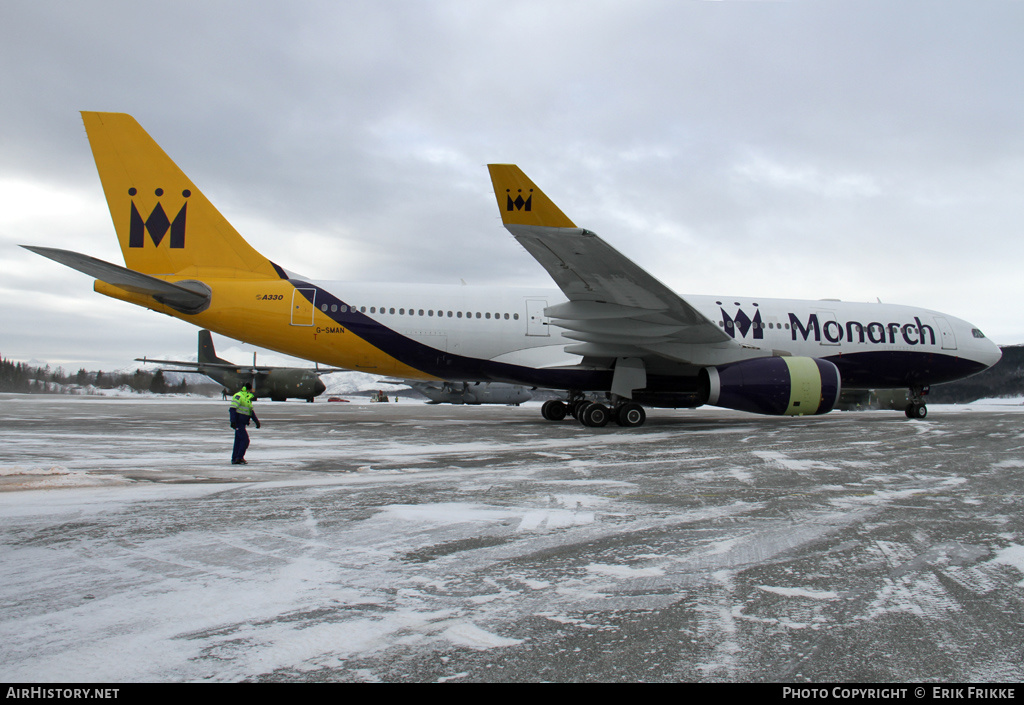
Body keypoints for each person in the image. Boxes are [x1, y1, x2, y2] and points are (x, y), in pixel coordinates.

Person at [229, 383, 261, 464]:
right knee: (245, 440)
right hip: (238, 422)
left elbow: (250, 411)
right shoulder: (239, 396)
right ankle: (239, 457)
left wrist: (256, 421)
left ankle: (235, 458)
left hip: (243, 422)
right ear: (249, 389)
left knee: (238, 441)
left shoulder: (247, 398)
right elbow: (232, 409)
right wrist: (233, 421)